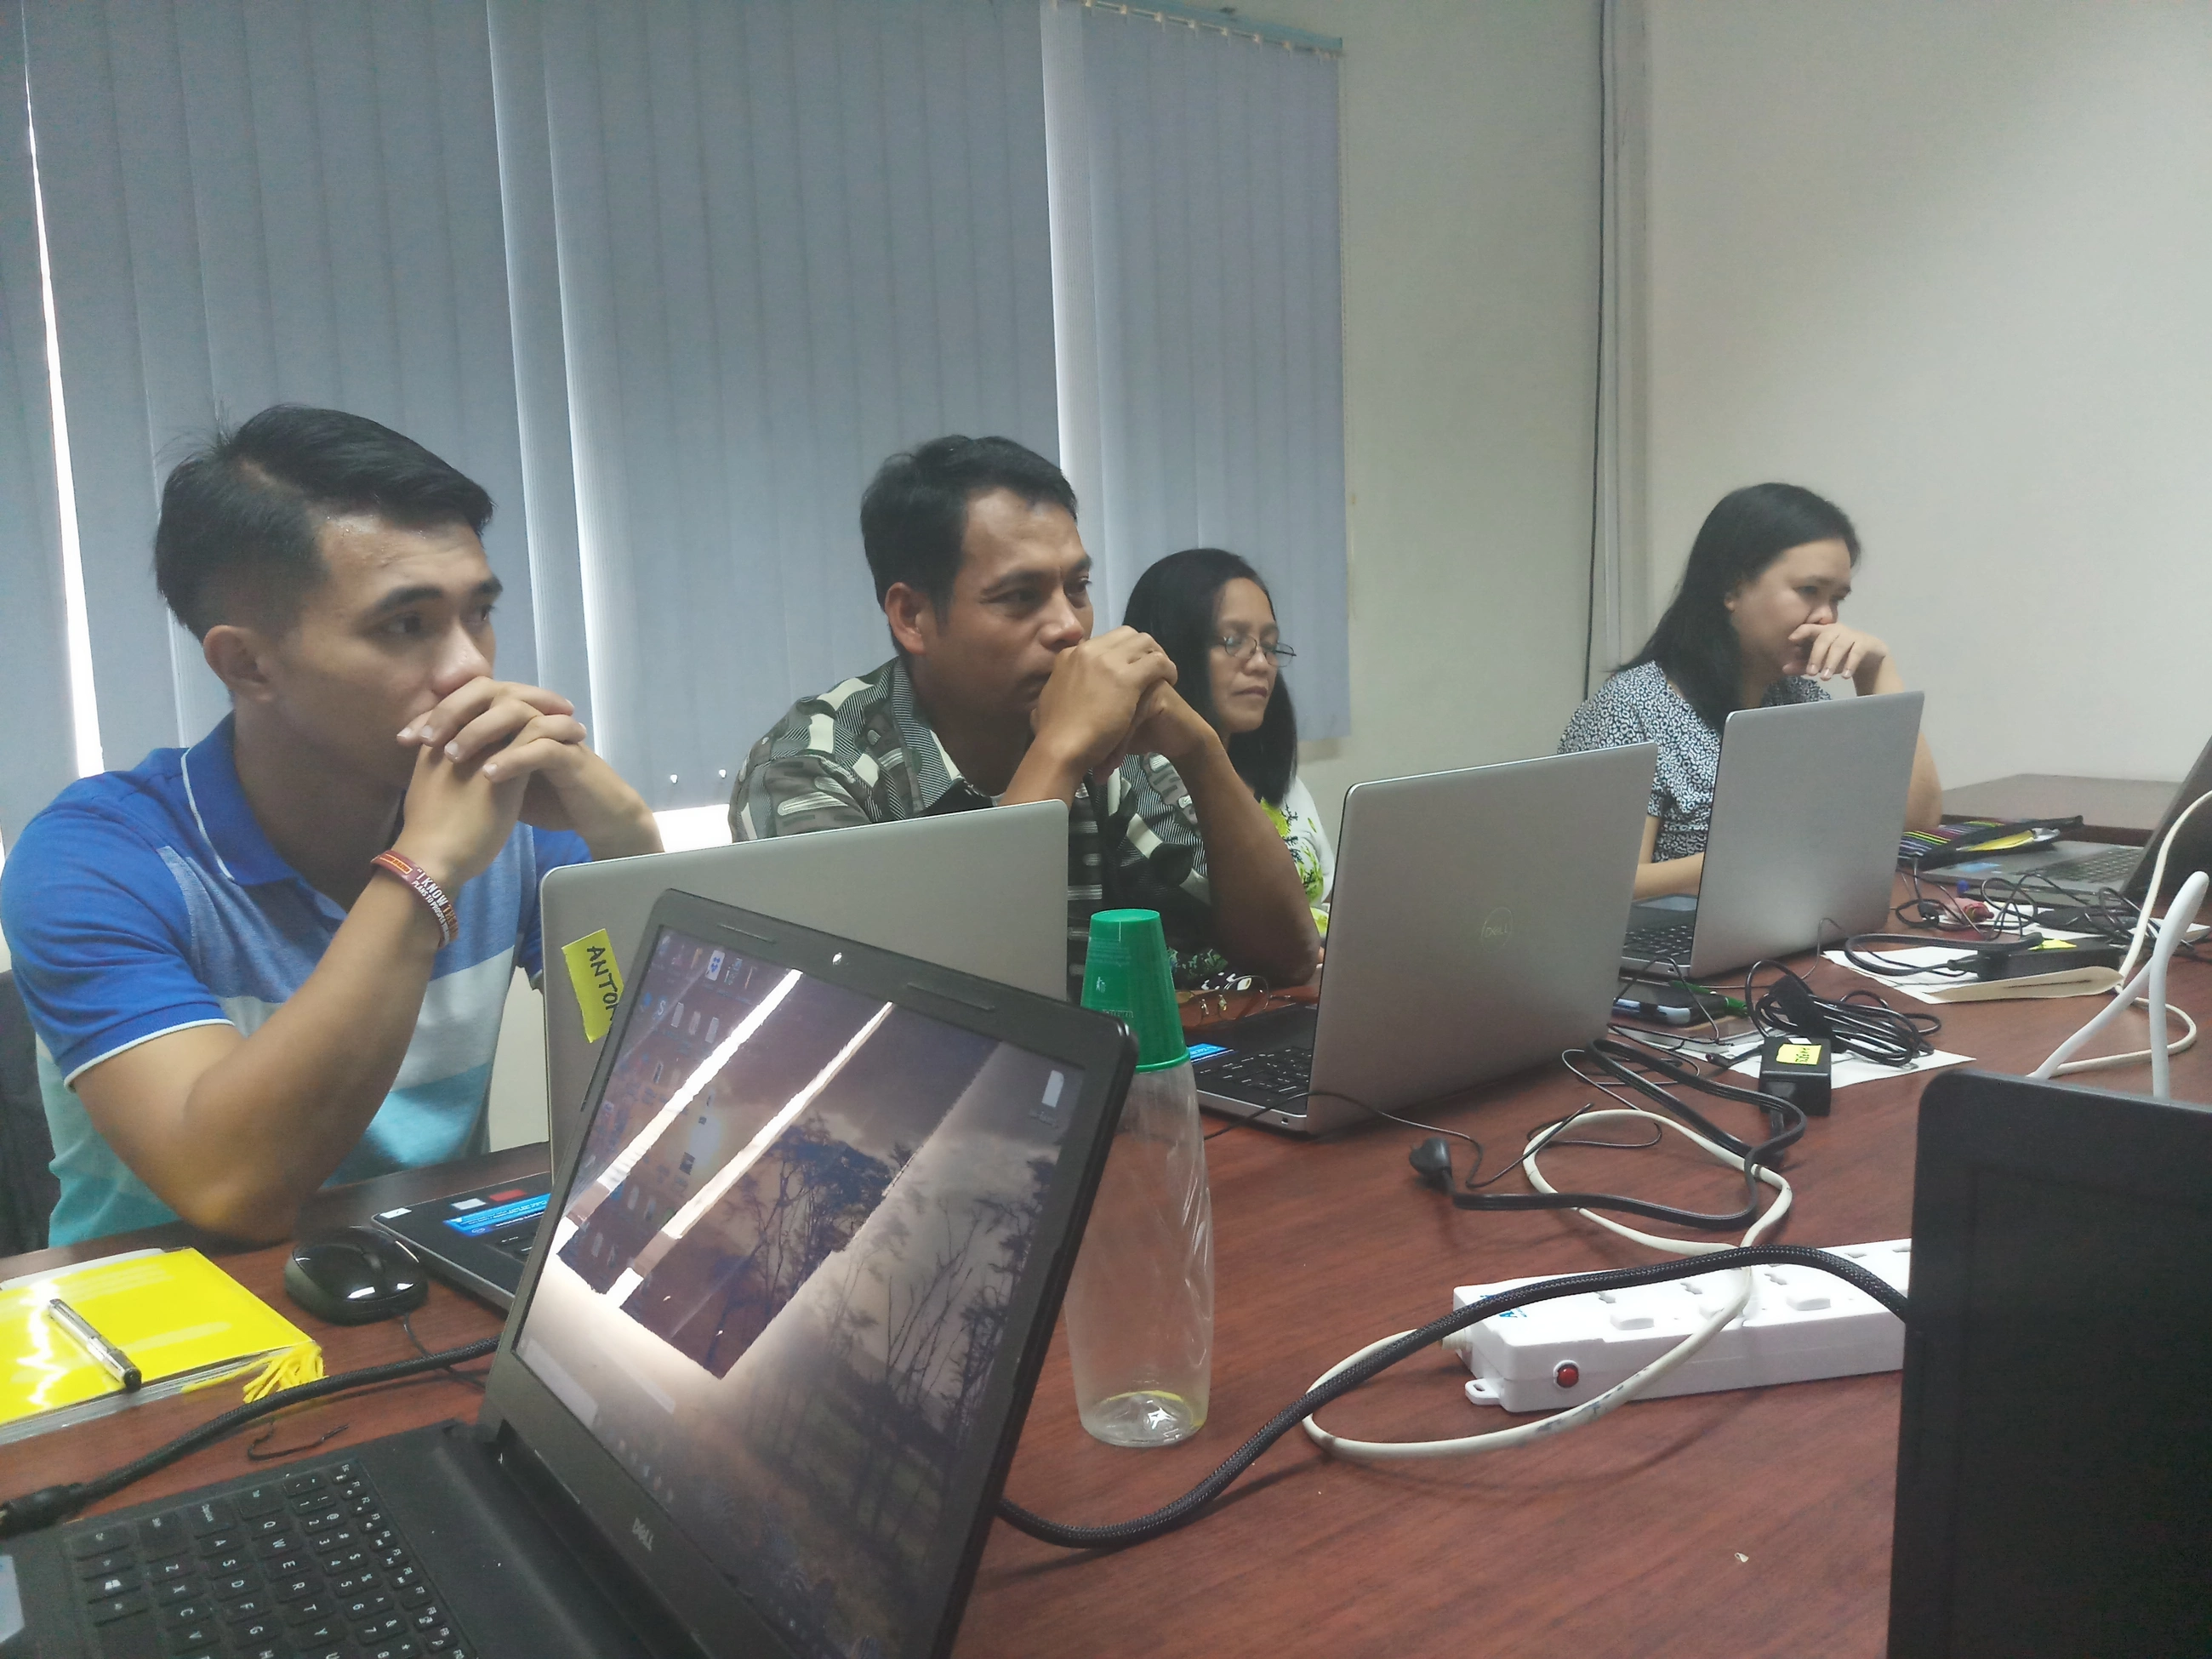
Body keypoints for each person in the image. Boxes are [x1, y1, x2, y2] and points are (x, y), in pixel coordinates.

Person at [0, 407, 661, 1246]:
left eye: (478, 613)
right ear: (248, 664)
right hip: (161, 1307)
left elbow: (654, 1077)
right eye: (406, 625)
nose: (471, 668)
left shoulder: (516, 823)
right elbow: (230, 1189)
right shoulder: (94, 859)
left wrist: (626, 848)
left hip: (425, 1274)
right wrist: (424, 869)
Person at [729, 436, 1320, 999]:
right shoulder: (809, 767)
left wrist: (1199, 750)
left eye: (1078, 587)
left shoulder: (1110, 737)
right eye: (1019, 596)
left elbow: (1287, 956)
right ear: (912, 616)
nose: (1069, 627)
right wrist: (1059, 752)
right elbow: (915, 1018)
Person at [1559, 482, 1941, 901]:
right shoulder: (1631, 706)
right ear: (1732, 588)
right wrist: (1756, 858)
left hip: (1792, 920)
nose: (1827, 617)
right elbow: (1603, 883)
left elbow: (1918, 821)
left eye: (1837, 599)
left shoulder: (1800, 699)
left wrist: (1877, 673)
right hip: (1673, 935)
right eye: (1809, 591)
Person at [1121, 548, 1331, 979]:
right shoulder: (1137, 780)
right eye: (1234, 642)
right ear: (1171, 648)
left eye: (1269, 646)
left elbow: (1325, 895)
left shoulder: (1280, 780)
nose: (1261, 664)